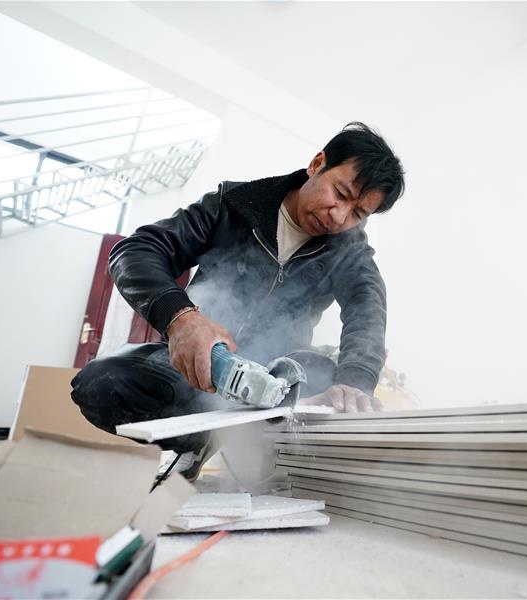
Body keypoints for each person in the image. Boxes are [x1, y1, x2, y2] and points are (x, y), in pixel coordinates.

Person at [70, 122, 405, 479]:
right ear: (317, 164)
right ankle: (198, 439)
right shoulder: (233, 205)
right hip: (200, 368)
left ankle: (256, 445)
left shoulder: (350, 252)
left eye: (357, 213)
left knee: (331, 386)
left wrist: (355, 381)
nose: (339, 216)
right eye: (339, 193)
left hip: (278, 385)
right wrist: (181, 319)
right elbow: (136, 251)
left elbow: (367, 310)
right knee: (101, 383)